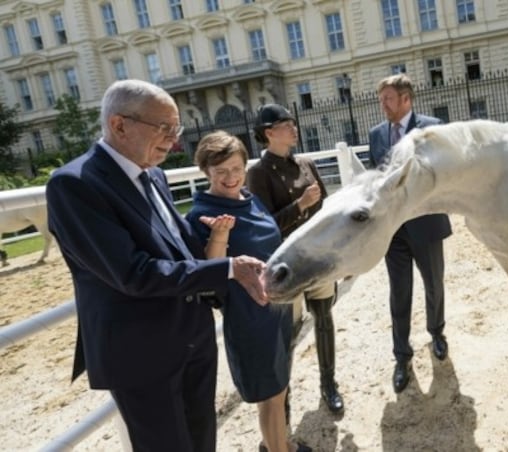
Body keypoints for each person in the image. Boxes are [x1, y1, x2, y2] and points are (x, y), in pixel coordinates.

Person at [45, 79, 268, 452]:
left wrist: (214, 240)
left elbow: (179, 251)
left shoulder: (154, 175)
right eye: (164, 128)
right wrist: (229, 268)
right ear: (119, 125)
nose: (174, 140)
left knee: (202, 443)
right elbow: (133, 273)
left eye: (175, 128)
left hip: (192, 340)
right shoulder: (73, 184)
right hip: (142, 355)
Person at [186, 131, 310, 452]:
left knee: (280, 386)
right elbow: (208, 273)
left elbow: (271, 239)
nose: (231, 177)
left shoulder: (250, 198)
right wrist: (219, 236)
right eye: (221, 171)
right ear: (206, 171)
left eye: (237, 168)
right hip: (249, 315)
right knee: (270, 395)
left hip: (278, 308)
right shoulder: (202, 212)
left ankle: (282, 443)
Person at [246, 103, 344, 414]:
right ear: (268, 133)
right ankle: (282, 398)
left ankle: (329, 384)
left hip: (317, 259)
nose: (294, 128)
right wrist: (300, 204)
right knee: (286, 334)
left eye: (293, 123)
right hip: (286, 266)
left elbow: (326, 210)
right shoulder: (257, 173)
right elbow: (265, 226)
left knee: (325, 320)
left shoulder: (305, 162)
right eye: (286, 124)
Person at [368, 73, 453, 394]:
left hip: (426, 222)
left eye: (388, 99)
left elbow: (444, 172)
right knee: (399, 292)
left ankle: (437, 334)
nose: (383, 105)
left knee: (434, 284)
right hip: (394, 229)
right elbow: (375, 176)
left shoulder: (432, 128)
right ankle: (401, 356)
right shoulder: (376, 134)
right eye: (381, 99)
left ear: (406, 99)